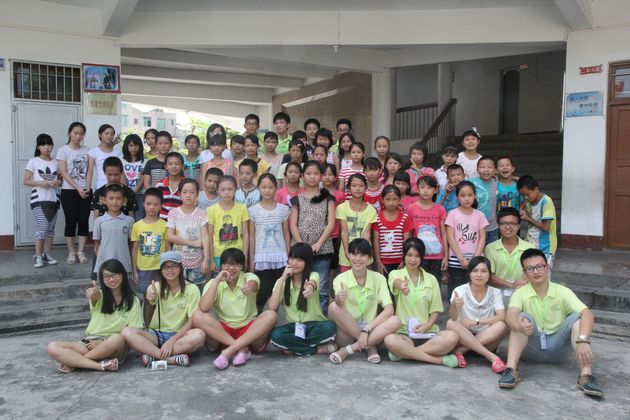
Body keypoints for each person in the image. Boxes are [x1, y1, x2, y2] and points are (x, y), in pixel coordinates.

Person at [498, 249, 603, 398]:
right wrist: (518, 325)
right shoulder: (520, 293)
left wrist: (583, 339)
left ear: (547, 267)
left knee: (576, 318)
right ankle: (511, 370)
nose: (536, 271)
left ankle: (586, 376)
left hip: (558, 348)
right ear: (524, 272)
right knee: (522, 318)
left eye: (539, 266)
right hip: (532, 349)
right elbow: (510, 315)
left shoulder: (562, 291)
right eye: (530, 268)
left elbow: (587, 314)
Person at [47, 259, 143, 373]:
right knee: (52, 347)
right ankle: (99, 366)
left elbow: (133, 333)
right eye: (106, 276)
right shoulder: (100, 295)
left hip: (114, 345)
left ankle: (75, 362)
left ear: (122, 275)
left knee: (117, 338)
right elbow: (95, 296)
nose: (111, 279)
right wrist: (92, 293)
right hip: (90, 342)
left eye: (115, 275)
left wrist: (103, 343)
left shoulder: (133, 300)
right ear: (102, 279)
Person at [192, 248, 277, 370]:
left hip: (249, 333)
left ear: (242, 267)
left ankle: (229, 351)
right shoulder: (214, 282)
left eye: (236, 264)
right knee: (197, 315)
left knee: (271, 315)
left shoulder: (248, 277)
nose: (231, 268)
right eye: (227, 264)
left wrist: (250, 287)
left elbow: (253, 284)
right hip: (222, 334)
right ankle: (240, 348)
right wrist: (217, 281)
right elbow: (204, 307)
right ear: (221, 266)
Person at [384, 238, 461, 368]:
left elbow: (435, 310)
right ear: (404, 256)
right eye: (409, 255)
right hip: (404, 333)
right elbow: (396, 282)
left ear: (422, 258)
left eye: (417, 256)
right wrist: (401, 285)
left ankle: (405, 353)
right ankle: (439, 360)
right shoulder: (395, 274)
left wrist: (426, 326)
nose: (412, 259)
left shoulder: (431, 279)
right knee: (389, 339)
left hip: (427, 333)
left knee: (452, 337)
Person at [122, 251, 205, 368]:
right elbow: (147, 319)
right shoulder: (156, 287)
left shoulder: (192, 289)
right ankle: (169, 358)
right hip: (156, 334)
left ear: (180, 268)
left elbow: (192, 321)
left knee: (199, 335)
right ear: (161, 270)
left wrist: (172, 340)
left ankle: (153, 355)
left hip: (180, 335)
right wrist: (149, 299)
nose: (169, 270)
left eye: (173, 266)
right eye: (165, 267)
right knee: (127, 332)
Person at [328, 238, 399, 364]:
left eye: (362, 255)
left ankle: (350, 349)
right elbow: (338, 306)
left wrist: (367, 329)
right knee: (333, 306)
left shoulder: (379, 278)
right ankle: (370, 347)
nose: (358, 258)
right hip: (347, 334)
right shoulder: (340, 279)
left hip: (371, 331)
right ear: (348, 255)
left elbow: (389, 309)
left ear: (369, 258)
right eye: (354, 254)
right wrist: (339, 300)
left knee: (395, 320)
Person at [268, 243, 337, 355]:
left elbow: (312, 283)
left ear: (307, 262)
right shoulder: (281, 281)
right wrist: (283, 278)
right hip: (294, 327)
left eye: (299, 260)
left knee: (330, 327)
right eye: (291, 258)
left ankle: (294, 348)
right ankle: (314, 349)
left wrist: (309, 288)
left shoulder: (313, 275)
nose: (294, 263)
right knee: (276, 334)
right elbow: (272, 307)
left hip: (314, 325)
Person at [446, 256, 507, 372]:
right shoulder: (459, 290)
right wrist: (454, 305)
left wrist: (476, 321)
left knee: (502, 325)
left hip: (487, 338)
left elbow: (501, 316)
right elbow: (453, 317)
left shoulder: (495, 292)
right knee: (450, 323)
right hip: (463, 335)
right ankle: (491, 357)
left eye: (484, 271)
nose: (479, 275)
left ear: (489, 274)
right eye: (475, 271)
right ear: (469, 273)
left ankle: (461, 350)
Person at [289, 161, 336, 312]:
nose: (312, 177)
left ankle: (320, 319)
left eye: (316, 174)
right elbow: (293, 224)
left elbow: (331, 223)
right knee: (300, 286)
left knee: (321, 288)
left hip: (322, 249)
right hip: (300, 252)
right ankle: (301, 317)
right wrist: (301, 246)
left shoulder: (328, 198)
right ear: (303, 176)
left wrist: (319, 243)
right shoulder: (297, 199)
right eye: (308, 174)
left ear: (321, 176)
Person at [248, 174, 291, 312]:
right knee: (262, 290)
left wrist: (289, 255)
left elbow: (286, 233)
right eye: (263, 187)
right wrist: (251, 259)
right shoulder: (253, 210)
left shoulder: (283, 209)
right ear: (259, 188)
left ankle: (273, 318)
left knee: (276, 290)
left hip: (280, 256)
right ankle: (258, 317)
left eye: (270, 187)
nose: (267, 190)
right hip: (261, 257)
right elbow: (252, 236)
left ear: (276, 188)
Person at [57, 122, 93, 265]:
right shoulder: (63, 150)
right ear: (69, 133)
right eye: (75, 133)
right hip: (69, 191)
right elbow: (63, 172)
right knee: (70, 221)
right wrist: (78, 188)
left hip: (86, 191)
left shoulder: (87, 150)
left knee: (83, 221)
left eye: (81, 134)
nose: (78, 136)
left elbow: (89, 171)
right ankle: (71, 252)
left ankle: (81, 251)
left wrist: (87, 187)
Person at [445, 181, 488, 299]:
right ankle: (455, 310)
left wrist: (475, 258)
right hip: (456, 260)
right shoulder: (452, 214)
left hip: (475, 259)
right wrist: (461, 259)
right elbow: (450, 237)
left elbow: (482, 237)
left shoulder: (480, 215)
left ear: (475, 196)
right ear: (457, 197)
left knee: (473, 289)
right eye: (463, 195)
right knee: (456, 290)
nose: (467, 198)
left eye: (470, 195)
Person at [24, 133, 62, 268]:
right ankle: (38, 256)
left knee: (50, 229)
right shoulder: (33, 161)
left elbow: (61, 180)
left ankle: (47, 254)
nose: (46, 147)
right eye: (43, 144)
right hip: (38, 200)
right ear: (38, 147)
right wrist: (41, 183)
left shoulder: (56, 163)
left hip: (54, 199)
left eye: (49, 144)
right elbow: (26, 180)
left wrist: (57, 182)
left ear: (52, 146)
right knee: (42, 228)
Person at [484, 207, 534, 305]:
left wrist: (523, 282)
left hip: (523, 294)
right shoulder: (490, 248)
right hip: (496, 296)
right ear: (498, 225)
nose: (508, 227)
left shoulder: (529, 248)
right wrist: (510, 285)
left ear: (518, 226)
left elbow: (534, 273)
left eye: (512, 223)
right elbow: (489, 275)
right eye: (503, 223)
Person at [166, 178, 210, 287]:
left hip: (197, 263)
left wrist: (206, 259)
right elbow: (170, 236)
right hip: (178, 263)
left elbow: (205, 237)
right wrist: (192, 242)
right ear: (179, 194)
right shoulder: (173, 213)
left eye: (192, 192)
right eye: (184, 192)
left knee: (197, 293)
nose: (188, 195)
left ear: (197, 194)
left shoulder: (201, 213)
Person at [406, 175, 448, 281]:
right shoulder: (410, 208)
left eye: (429, 188)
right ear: (417, 189)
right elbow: (408, 234)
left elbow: (443, 234)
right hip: (417, 255)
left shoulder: (440, 209)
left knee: (434, 283)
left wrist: (446, 256)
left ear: (435, 190)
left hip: (437, 255)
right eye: (422, 187)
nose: (425, 191)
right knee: (418, 282)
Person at [206, 175, 249, 272]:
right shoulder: (211, 210)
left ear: (235, 190)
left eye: (230, 189)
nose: (226, 193)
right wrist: (211, 260)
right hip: (218, 255)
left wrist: (245, 256)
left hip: (238, 254)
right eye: (223, 190)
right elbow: (209, 237)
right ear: (218, 190)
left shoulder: (242, 208)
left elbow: (245, 234)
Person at [131, 188, 169, 296]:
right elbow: (134, 249)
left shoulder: (165, 225)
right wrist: (134, 270)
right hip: (143, 269)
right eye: (148, 204)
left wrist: (167, 266)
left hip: (160, 268)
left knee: (160, 295)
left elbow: (167, 248)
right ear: (143, 204)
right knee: (145, 296)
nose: (152, 207)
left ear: (161, 206)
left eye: (156, 204)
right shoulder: (137, 226)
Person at [336, 173, 377, 273]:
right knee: (345, 279)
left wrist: (362, 253)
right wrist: (347, 252)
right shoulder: (342, 208)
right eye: (354, 185)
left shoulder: (371, 209)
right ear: (348, 188)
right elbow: (344, 232)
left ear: (366, 188)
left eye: (361, 186)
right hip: (346, 251)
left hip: (364, 252)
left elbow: (366, 234)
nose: (357, 189)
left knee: (365, 279)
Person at [93, 184, 134, 279]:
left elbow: (131, 245)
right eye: (111, 198)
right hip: (104, 265)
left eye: (118, 198)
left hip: (124, 265)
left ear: (124, 201)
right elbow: (97, 244)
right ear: (104, 200)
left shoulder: (129, 221)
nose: (114, 202)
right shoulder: (99, 221)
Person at [372, 185, 413, 276]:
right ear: (382, 200)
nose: (391, 203)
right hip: (383, 262)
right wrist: (378, 262)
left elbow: (407, 241)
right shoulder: (377, 218)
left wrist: (404, 260)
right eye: (388, 199)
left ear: (399, 200)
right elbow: (376, 241)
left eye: (395, 199)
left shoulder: (405, 218)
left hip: (400, 261)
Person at [517, 175, 557, 267]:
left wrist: (528, 219)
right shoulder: (529, 200)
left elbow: (546, 227)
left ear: (536, 189)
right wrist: (521, 209)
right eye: (523, 195)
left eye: (527, 194)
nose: (525, 197)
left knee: (543, 274)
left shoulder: (546, 202)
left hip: (545, 248)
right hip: (530, 243)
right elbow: (523, 205)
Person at [470, 156, 499, 243]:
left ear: (494, 170)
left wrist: (515, 178)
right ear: (477, 170)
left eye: (490, 167)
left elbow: (506, 179)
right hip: (474, 226)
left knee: (491, 250)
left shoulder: (496, 181)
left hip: (492, 227)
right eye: (482, 167)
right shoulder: (471, 182)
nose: (486, 170)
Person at [89, 124, 123, 190]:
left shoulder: (118, 153)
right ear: (99, 135)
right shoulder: (93, 151)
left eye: (112, 134)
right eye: (106, 133)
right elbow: (90, 171)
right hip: (100, 186)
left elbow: (122, 172)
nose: (109, 136)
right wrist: (88, 187)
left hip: (116, 187)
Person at [121, 134, 146, 220]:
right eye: (131, 145)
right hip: (125, 194)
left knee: (139, 218)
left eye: (136, 145)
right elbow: (122, 176)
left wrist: (134, 191)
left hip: (140, 195)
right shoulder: (122, 160)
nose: (133, 148)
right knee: (127, 219)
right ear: (126, 146)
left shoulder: (145, 161)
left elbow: (143, 178)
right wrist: (128, 192)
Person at [156, 152, 184, 220]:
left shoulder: (186, 184)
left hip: (181, 220)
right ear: (166, 166)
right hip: (163, 220)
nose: (173, 166)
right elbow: (156, 204)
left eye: (177, 164)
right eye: (170, 164)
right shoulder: (160, 185)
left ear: (182, 166)